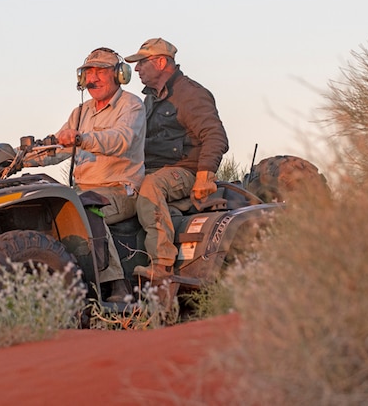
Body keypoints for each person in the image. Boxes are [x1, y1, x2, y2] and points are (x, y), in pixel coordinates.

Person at [26, 47, 145, 302]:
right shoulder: (80, 112)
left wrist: (82, 138)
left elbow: (121, 140)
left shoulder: (131, 105)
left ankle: (117, 285)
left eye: (101, 71)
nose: (94, 79)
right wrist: (18, 158)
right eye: (89, 72)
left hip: (120, 189)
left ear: (120, 75)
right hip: (84, 190)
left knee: (86, 206)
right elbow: (57, 149)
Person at [125, 38, 229, 282]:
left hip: (184, 169)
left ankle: (161, 266)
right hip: (152, 168)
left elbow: (216, 136)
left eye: (142, 62)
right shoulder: (150, 100)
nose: (137, 69)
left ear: (161, 62)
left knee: (151, 188)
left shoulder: (190, 94)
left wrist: (205, 174)